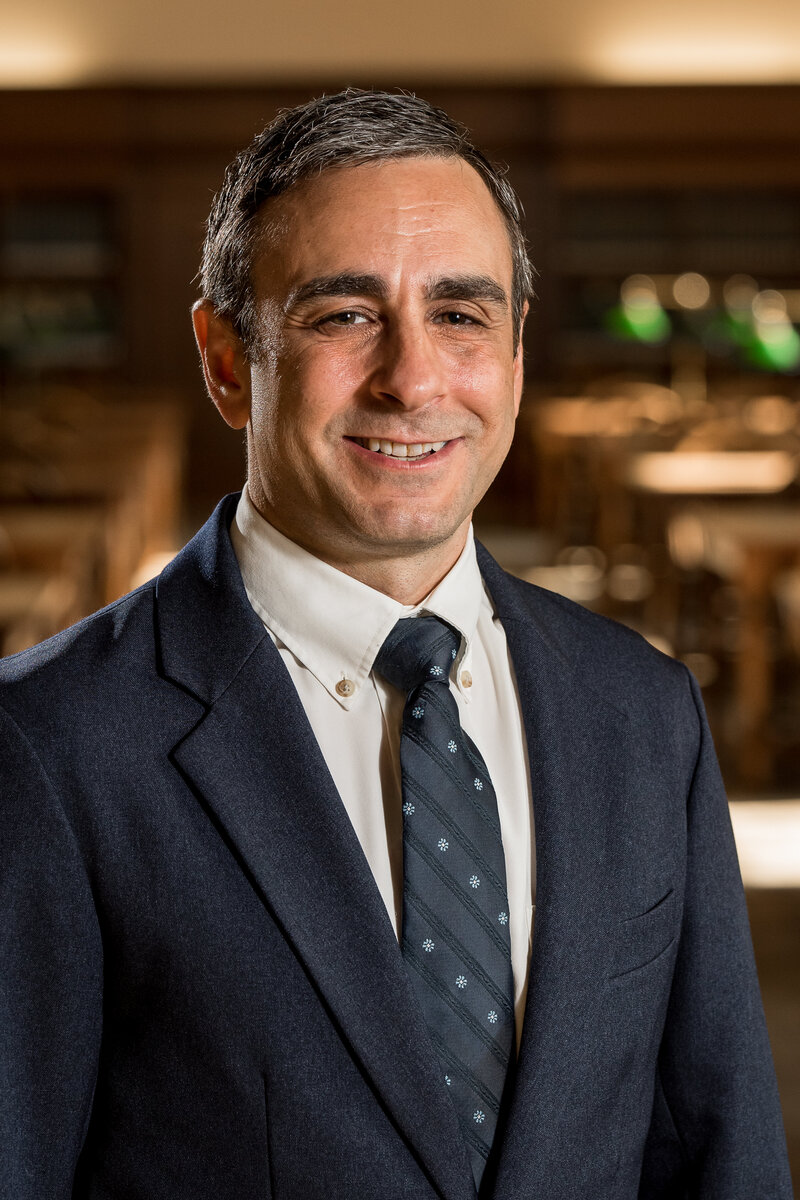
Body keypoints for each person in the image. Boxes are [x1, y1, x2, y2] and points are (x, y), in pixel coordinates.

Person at [0, 89, 792, 1200]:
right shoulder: (49, 746)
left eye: (461, 315)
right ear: (227, 360)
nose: (412, 379)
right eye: (342, 315)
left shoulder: (641, 709)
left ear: (514, 354)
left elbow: (722, 1153)